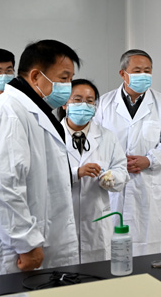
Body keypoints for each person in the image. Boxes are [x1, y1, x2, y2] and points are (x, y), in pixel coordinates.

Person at [0, 40, 80, 277]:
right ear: (35, 76)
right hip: (11, 253)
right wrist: (26, 243)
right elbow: (1, 187)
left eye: (70, 79)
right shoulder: (8, 114)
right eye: (63, 78)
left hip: (31, 246)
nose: (68, 86)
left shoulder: (31, 111)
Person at [94, 49, 161, 256]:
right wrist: (115, 163)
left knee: (146, 249)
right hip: (112, 184)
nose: (143, 75)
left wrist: (150, 160)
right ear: (123, 74)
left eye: (147, 70)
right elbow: (94, 140)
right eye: (137, 71)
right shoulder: (104, 104)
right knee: (110, 247)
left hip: (147, 185)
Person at [58, 79, 130, 264]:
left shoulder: (107, 136)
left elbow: (121, 169)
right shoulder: (52, 135)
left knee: (97, 273)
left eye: (90, 101)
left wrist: (111, 178)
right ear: (65, 103)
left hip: (97, 220)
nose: (84, 105)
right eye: (77, 99)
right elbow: (43, 176)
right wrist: (76, 173)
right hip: (62, 221)